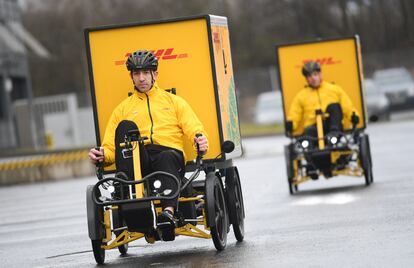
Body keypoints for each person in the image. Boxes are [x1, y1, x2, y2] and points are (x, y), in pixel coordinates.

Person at [88, 50, 208, 236]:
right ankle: (132, 205)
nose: (141, 78)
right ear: (131, 77)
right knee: (125, 127)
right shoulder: (123, 109)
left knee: (166, 156)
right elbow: (111, 147)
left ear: (155, 75)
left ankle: (168, 213)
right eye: (137, 74)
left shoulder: (174, 102)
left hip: (168, 155)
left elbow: (193, 127)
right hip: (139, 158)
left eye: (145, 73)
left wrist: (199, 140)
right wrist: (103, 155)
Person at [287, 61, 359, 140]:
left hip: (332, 126)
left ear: (320, 74)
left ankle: (333, 136)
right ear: (306, 79)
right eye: (309, 76)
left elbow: (347, 106)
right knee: (307, 134)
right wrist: (291, 124)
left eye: (315, 74)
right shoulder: (301, 96)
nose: (313, 78)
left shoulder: (334, 89)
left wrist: (353, 116)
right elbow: (295, 113)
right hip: (313, 128)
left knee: (334, 106)